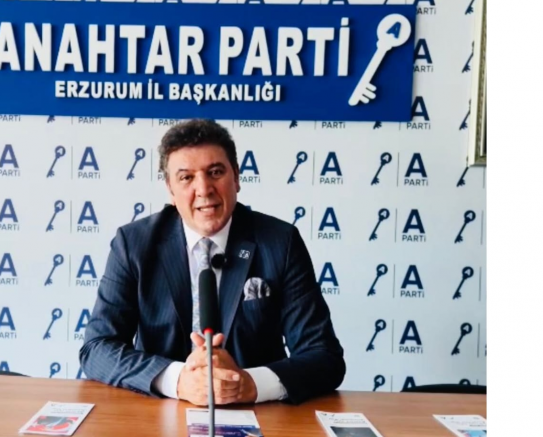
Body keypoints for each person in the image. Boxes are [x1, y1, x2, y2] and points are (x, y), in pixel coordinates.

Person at [79, 119, 345, 405]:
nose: (204, 189)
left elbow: (324, 356)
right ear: (170, 190)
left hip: (258, 413)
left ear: (237, 178)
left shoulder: (281, 242)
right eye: (186, 178)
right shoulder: (133, 243)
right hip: (157, 411)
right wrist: (178, 380)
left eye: (215, 172)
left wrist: (250, 383)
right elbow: (97, 348)